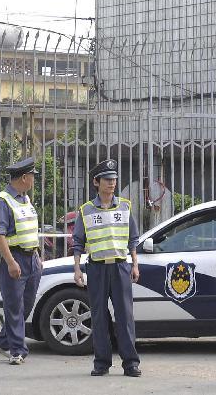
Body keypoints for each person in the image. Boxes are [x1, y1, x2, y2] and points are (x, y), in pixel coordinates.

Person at [72, 158, 142, 377]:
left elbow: (132, 238)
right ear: (96, 182)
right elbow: (77, 243)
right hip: (97, 269)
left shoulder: (125, 206)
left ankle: (130, 363)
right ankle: (101, 363)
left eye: (113, 179)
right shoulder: (86, 211)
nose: (111, 183)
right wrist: (77, 269)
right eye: (107, 179)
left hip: (121, 267)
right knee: (99, 317)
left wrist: (135, 264)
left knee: (125, 317)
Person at [0, 157, 42, 365]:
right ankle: (17, 350)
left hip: (31, 259)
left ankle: (2, 340)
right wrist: (11, 262)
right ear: (23, 177)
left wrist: (38, 256)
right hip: (14, 257)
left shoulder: (25, 199)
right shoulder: (3, 201)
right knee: (14, 306)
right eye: (32, 177)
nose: (33, 180)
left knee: (26, 305)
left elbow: (30, 231)